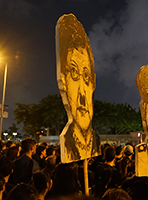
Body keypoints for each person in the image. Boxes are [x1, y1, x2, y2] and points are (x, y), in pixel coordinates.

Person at [56, 13, 101, 163]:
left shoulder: (95, 142)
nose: (82, 93)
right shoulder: (69, 144)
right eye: (74, 73)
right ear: (63, 81)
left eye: (87, 77)